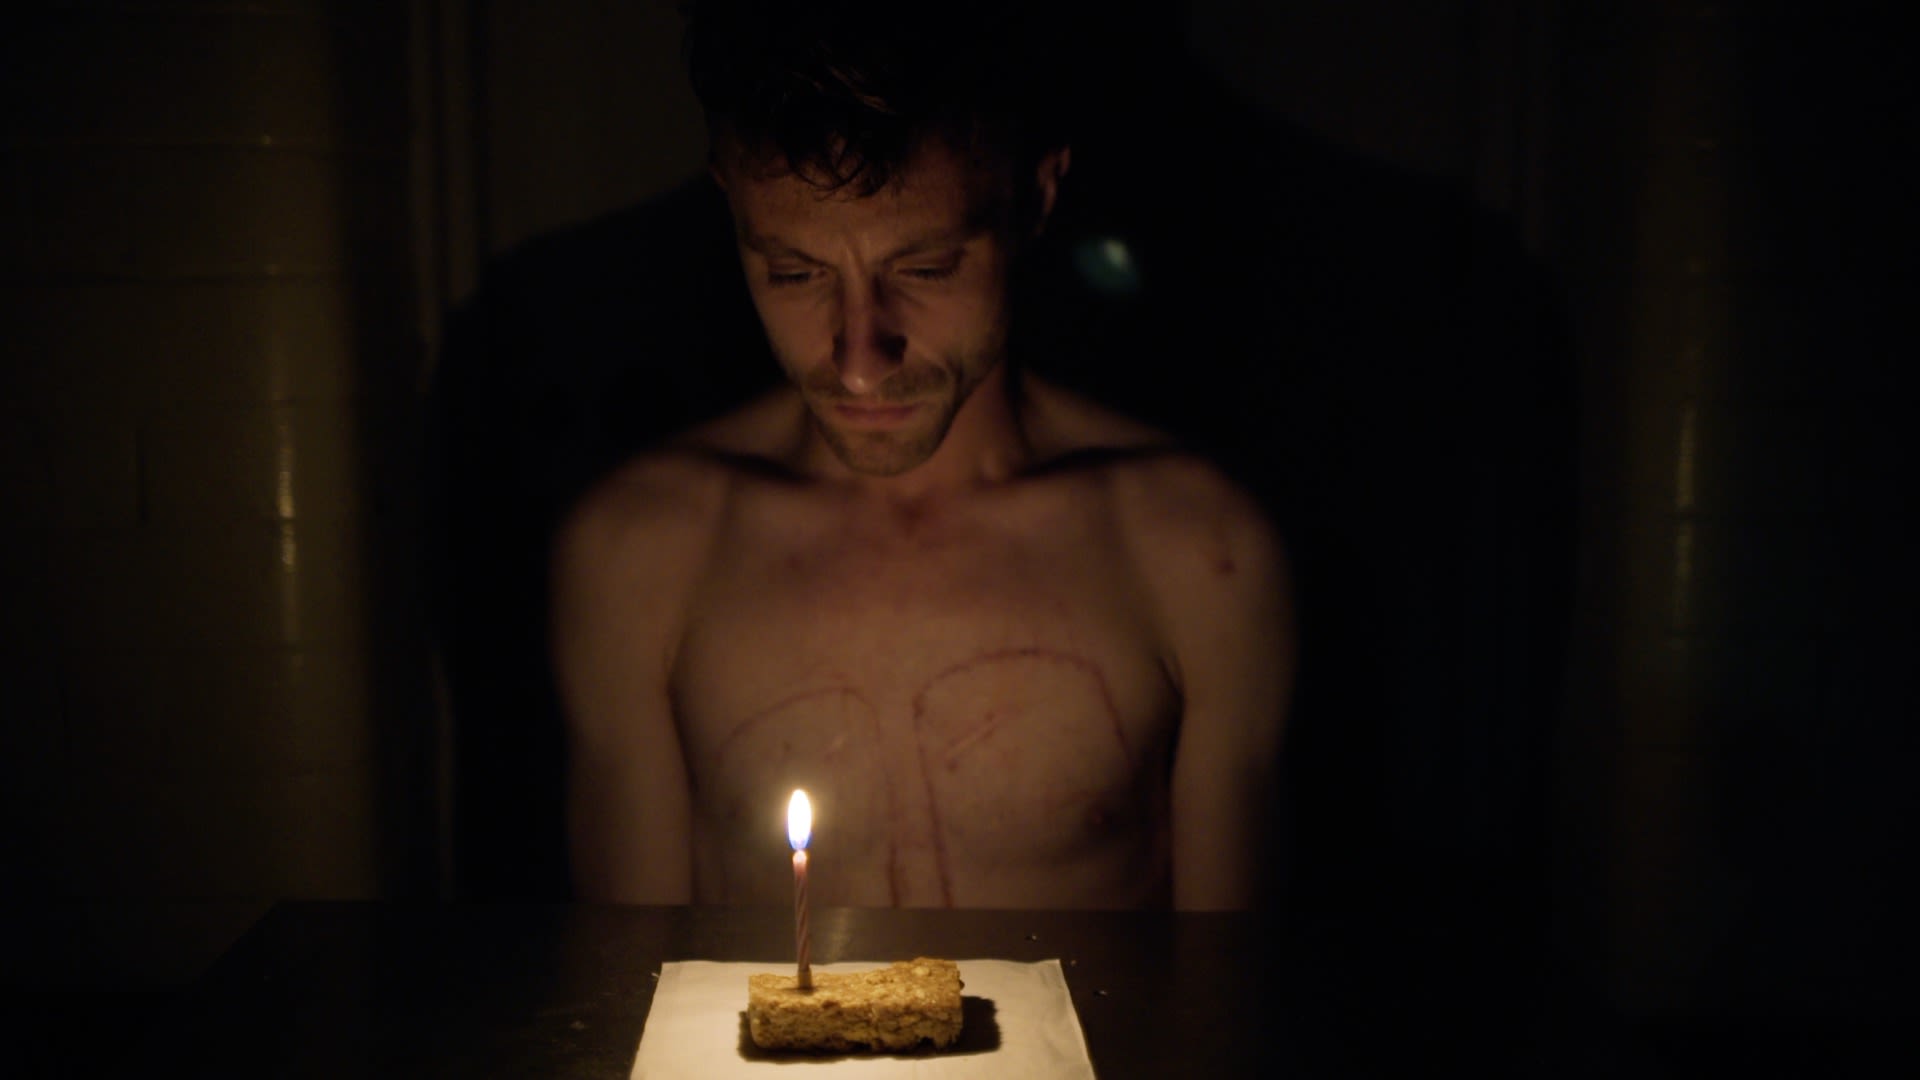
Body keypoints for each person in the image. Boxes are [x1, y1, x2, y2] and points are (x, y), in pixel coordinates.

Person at [549, 0, 1292, 911]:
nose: (859, 358)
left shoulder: (1194, 551)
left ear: (1037, 196)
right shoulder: (644, 553)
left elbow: (1220, 1020)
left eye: (927, 269)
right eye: (794, 272)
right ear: (731, 209)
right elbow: (632, 1003)